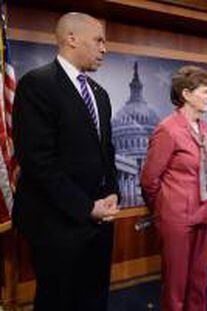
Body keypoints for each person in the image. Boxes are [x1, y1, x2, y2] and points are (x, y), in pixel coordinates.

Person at [12, 12, 119, 311]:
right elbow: (38, 162)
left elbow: (106, 151)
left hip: (99, 223)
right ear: (72, 38)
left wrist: (112, 192)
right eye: (99, 40)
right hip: (56, 224)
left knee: (94, 299)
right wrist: (86, 207)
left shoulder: (100, 94)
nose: (104, 49)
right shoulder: (37, 85)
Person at [140, 65, 207, 311]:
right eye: (205, 91)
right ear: (186, 94)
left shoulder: (202, 126)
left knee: (198, 281)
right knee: (175, 285)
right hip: (175, 218)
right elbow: (149, 180)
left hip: (202, 211)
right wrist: (164, 208)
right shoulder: (167, 129)